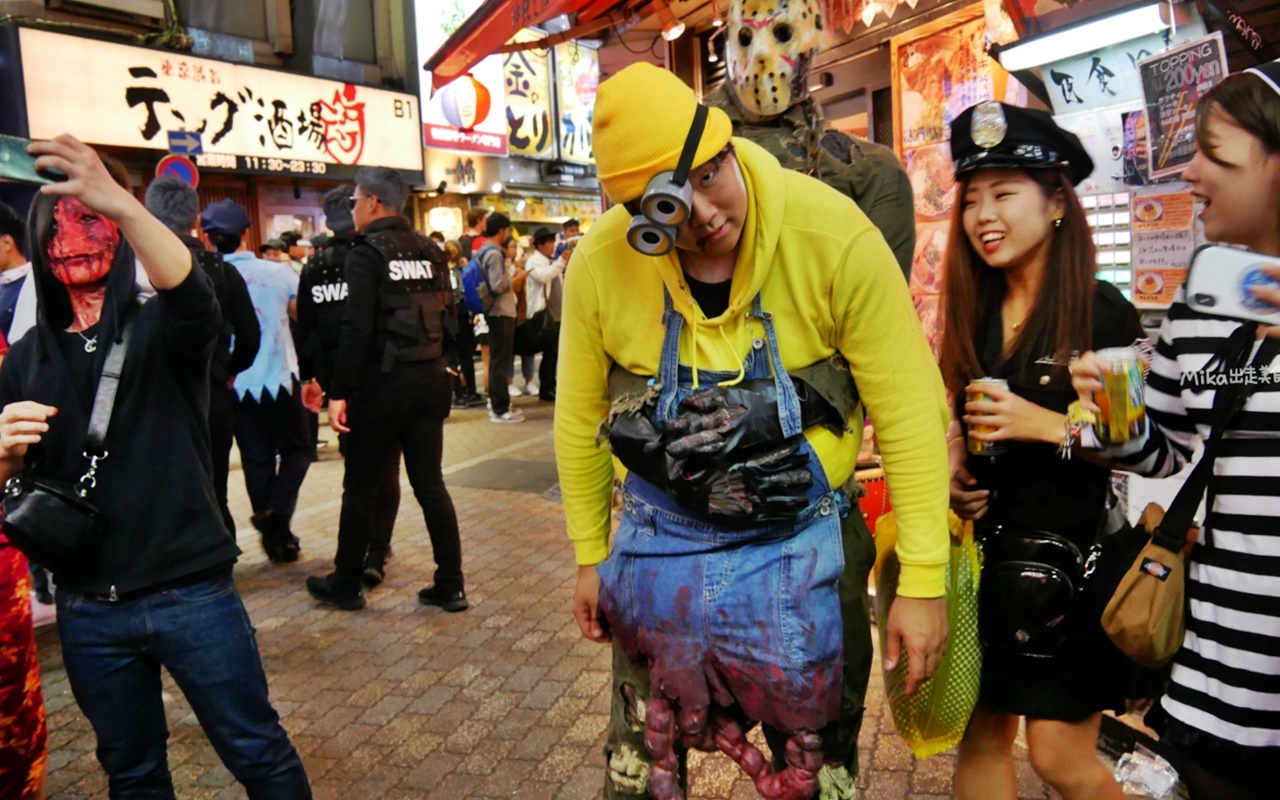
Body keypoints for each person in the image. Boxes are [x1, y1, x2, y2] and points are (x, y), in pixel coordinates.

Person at [557, 63, 950, 799]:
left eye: (711, 173)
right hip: (658, 559)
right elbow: (578, 415)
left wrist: (923, 582)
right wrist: (589, 552)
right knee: (642, 777)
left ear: (730, 147)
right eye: (670, 202)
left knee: (815, 777)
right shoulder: (604, 262)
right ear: (637, 217)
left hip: (803, 549)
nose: (704, 212)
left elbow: (909, 409)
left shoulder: (831, 233)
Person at [0, 134, 310, 797]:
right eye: (56, 224)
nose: (72, 236)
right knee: (133, 774)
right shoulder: (24, 357)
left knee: (259, 753)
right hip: (89, 610)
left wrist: (120, 201)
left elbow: (196, 297)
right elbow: (14, 492)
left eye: (90, 219)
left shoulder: (163, 324)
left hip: (191, 591)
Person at [1071, 60, 1280, 800]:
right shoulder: (1205, 296)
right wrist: (1114, 408)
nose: (1188, 172)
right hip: (1219, 674)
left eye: (1216, 156)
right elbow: (1164, 448)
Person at [939, 102, 1139, 800]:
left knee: (1059, 758)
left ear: (1056, 201)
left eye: (1003, 193)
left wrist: (1044, 423)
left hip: (1073, 568)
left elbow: (1133, 446)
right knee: (981, 738)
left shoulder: (1104, 310)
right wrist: (956, 470)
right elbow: (959, 428)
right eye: (971, 199)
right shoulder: (974, 310)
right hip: (987, 566)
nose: (983, 215)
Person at [306, 167, 466, 613]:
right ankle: (451, 584)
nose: (353, 209)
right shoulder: (431, 248)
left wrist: (338, 392)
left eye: (355, 201)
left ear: (373, 202)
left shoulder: (367, 252)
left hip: (380, 388)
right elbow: (452, 313)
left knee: (359, 487)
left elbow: (355, 328)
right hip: (430, 381)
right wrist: (449, 364)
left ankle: (346, 581)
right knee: (430, 484)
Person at [709, 0, 915, 280]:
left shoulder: (874, 171)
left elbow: (878, 303)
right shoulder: (686, 140)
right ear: (729, 42)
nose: (760, 52)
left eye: (781, 34)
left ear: (811, 44)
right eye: (747, 37)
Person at [143, 176, 261, 536]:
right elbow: (250, 338)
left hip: (154, 402)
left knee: (161, 493)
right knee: (215, 489)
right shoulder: (223, 270)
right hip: (212, 396)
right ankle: (219, 568)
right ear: (194, 218)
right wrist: (227, 370)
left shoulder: (138, 267)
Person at [201, 199, 314, 563]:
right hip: (279, 378)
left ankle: (276, 539)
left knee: (256, 459)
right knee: (299, 450)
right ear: (246, 234)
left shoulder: (203, 276)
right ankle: (277, 518)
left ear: (208, 238)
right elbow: (302, 318)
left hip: (232, 384)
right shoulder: (279, 273)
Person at [479, 213, 522, 423]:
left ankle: (499, 404)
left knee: (498, 360)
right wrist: (514, 279)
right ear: (502, 231)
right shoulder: (494, 253)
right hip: (500, 311)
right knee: (500, 361)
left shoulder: (483, 250)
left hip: (494, 312)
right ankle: (500, 409)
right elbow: (498, 285)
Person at [523, 227, 564, 402]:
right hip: (543, 314)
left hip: (556, 314)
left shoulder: (551, 261)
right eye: (548, 242)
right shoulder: (533, 262)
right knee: (548, 352)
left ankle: (550, 387)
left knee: (553, 353)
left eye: (552, 241)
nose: (551, 245)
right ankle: (546, 388)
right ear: (539, 245)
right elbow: (543, 277)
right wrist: (562, 260)